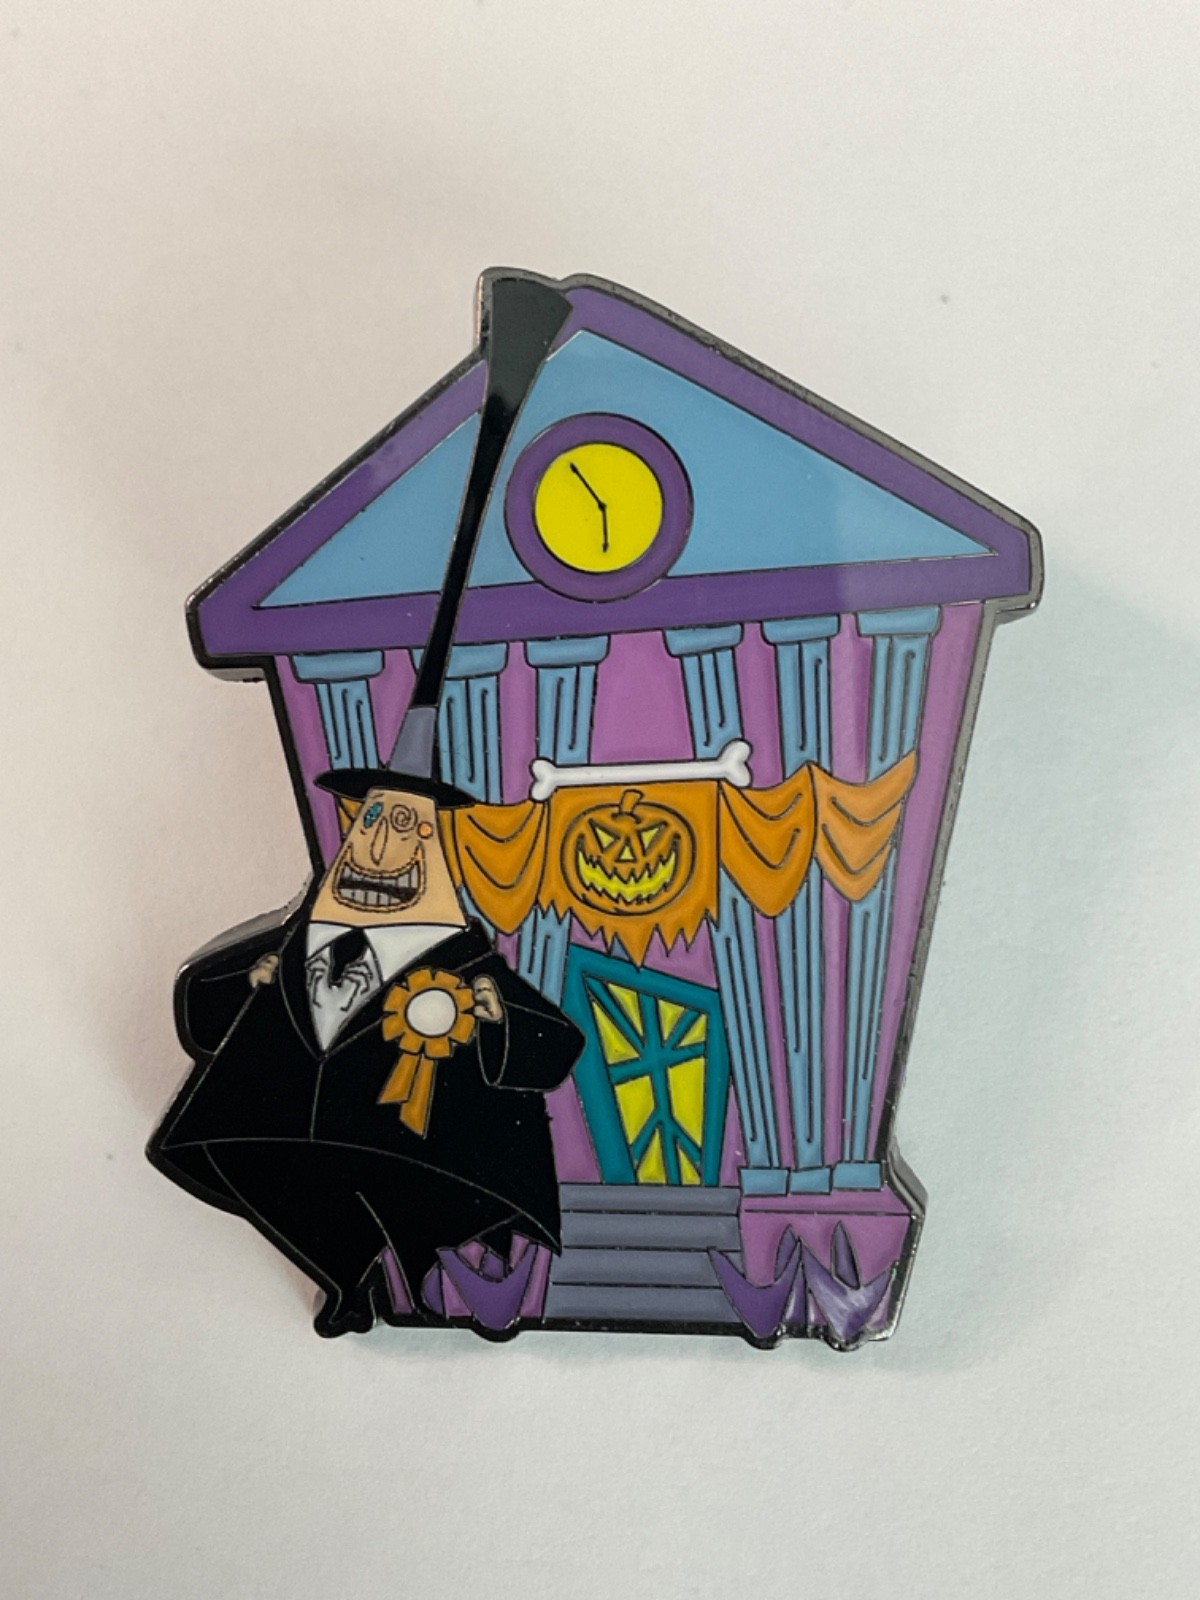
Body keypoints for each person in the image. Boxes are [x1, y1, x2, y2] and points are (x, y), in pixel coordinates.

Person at [148, 767, 584, 1337]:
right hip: (285, 1147)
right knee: (287, 1182)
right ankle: (350, 1285)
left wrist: (498, 1016)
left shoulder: (462, 963)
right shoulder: (295, 944)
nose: (378, 843)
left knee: (407, 1203)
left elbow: (556, 1046)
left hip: (408, 1160)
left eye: (402, 824)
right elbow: (207, 1023)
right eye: (371, 818)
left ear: (428, 842)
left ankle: (438, 1277)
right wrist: (251, 983)